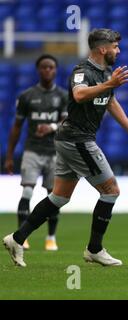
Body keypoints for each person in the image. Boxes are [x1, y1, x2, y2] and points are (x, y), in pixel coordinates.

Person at [3, 28, 128, 267]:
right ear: (102, 49)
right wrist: (109, 84)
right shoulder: (83, 71)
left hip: (70, 139)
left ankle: (17, 238)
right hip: (77, 139)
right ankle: (94, 249)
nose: (118, 51)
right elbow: (80, 94)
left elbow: (110, 100)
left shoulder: (106, 72)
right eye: (115, 47)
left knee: (59, 197)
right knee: (111, 190)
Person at [4, 54, 68, 251]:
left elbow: (66, 123)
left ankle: (51, 238)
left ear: (56, 70)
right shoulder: (27, 96)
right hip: (32, 150)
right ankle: (22, 236)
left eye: (51, 67)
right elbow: (16, 127)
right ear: (38, 70)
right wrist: (9, 156)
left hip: (54, 152)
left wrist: (50, 127)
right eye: (43, 67)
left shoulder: (63, 96)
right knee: (27, 191)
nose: (47, 70)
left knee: (53, 195)